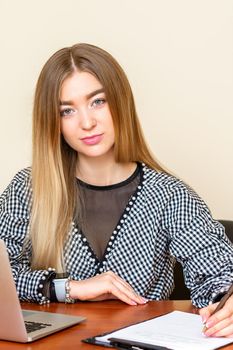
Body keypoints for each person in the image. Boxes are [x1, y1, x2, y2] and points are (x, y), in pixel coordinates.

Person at [0, 43, 233, 337]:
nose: (87, 122)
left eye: (98, 101)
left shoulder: (170, 195)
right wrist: (69, 288)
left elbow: (219, 276)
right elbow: (2, 280)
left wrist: (226, 300)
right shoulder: (27, 190)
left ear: (120, 102)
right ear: (53, 122)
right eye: (67, 110)